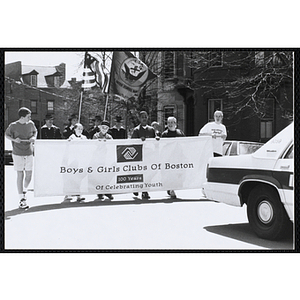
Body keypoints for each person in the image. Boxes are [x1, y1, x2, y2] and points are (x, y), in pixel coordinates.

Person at [5, 107, 37, 209]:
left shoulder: (31, 124)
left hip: (29, 152)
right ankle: (21, 198)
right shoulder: (13, 125)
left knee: (29, 174)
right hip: (17, 153)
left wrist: (33, 138)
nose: (30, 118)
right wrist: (14, 140)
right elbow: (6, 135)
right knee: (20, 174)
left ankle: (24, 190)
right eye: (28, 116)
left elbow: (35, 132)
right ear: (22, 117)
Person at [131, 111, 156, 200]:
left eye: (145, 117)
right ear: (139, 118)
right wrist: (139, 140)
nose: (144, 118)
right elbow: (132, 143)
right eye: (142, 117)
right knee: (139, 173)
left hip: (149, 155)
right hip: (139, 155)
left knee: (148, 173)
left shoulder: (151, 129)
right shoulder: (136, 130)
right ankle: (137, 187)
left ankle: (145, 191)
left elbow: (155, 141)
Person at [161, 116, 185, 199]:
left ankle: (171, 188)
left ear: (176, 124)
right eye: (169, 123)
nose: (170, 124)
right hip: (169, 158)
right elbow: (162, 146)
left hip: (178, 158)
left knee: (177, 175)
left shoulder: (180, 133)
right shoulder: (164, 134)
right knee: (170, 174)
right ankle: (171, 190)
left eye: (172, 122)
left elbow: (185, 144)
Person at [64, 123, 87, 202]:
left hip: (81, 160)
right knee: (70, 177)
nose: (80, 130)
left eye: (81, 129)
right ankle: (67, 193)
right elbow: (68, 146)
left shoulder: (84, 138)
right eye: (78, 128)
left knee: (79, 178)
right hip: (73, 160)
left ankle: (78, 194)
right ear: (75, 129)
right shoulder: (72, 137)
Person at [93, 120, 114, 200]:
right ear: (100, 128)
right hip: (98, 158)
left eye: (106, 128)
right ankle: (100, 191)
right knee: (99, 175)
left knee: (107, 175)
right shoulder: (96, 136)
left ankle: (105, 190)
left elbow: (112, 146)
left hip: (107, 158)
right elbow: (94, 145)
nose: (104, 129)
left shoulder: (109, 137)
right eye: (103, 127)